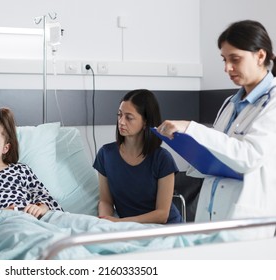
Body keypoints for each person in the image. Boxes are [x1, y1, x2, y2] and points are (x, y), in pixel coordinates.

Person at [157, 20, 276, 238]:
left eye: (235, 59)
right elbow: (218, 151)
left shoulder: (273, 102)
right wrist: (191, 150)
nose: (227, 68)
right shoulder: (231, 103)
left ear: (260, 56)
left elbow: (249, 156)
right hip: (211, 214)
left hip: (246, 218)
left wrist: (192, 128)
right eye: (224, 59)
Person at [93, 89, 182, 224]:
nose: (121, 122)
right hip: (129, 228)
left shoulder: (162, 159)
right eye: (119, 115)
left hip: (165, 227)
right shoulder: (106, 154)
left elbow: (162, 215)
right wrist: (105, 222)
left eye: (129, 117)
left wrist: (122, 223)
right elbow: (105, 201)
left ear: (145, 122)